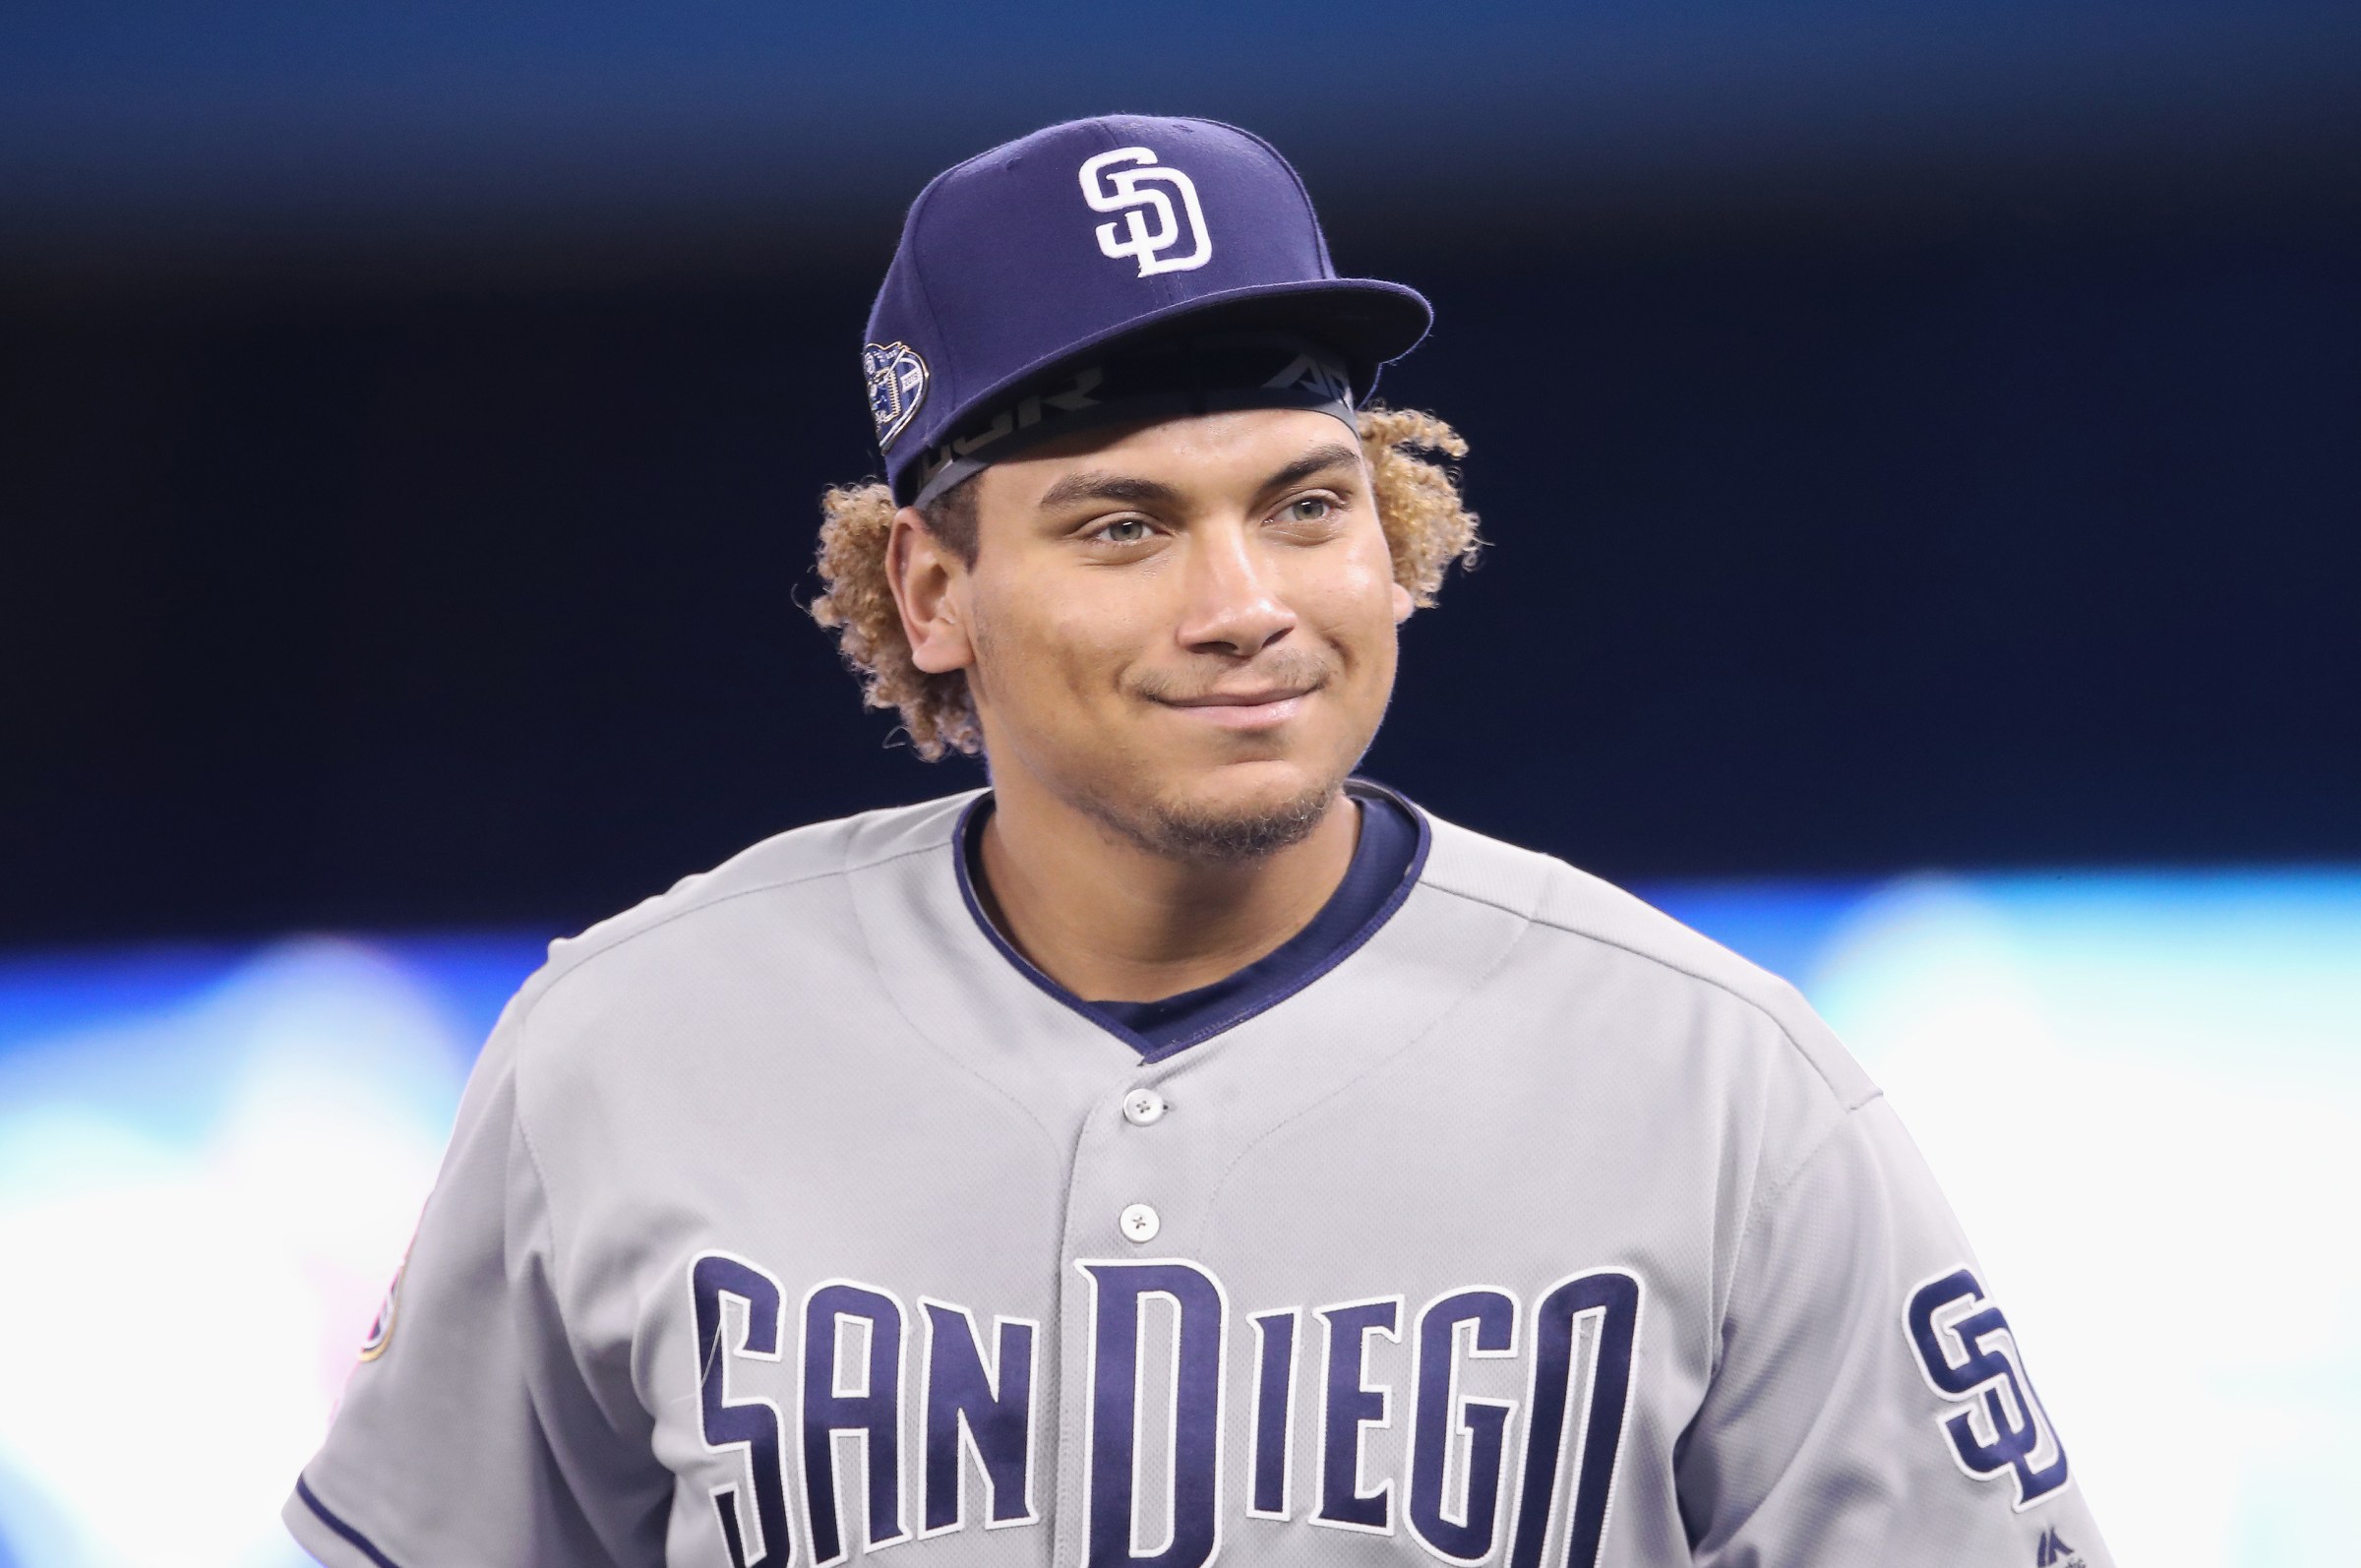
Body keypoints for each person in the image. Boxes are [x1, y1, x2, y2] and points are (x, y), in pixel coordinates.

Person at [285, 114, 2112, 1568]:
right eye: (1122, 526)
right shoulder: (628, 1042)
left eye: (1304, 506)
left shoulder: (1725, 1083)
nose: (1244, 603)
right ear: (933, 589)